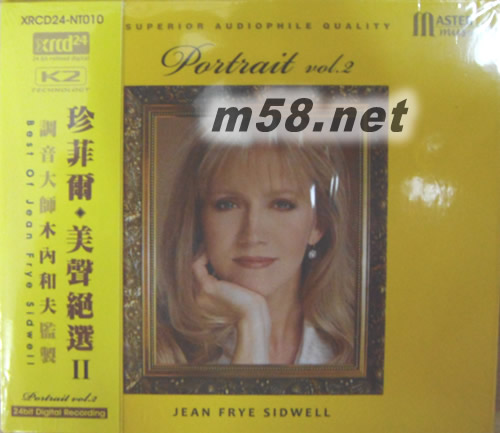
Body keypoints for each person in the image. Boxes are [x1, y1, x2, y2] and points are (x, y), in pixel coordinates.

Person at [156, 133, 356, 365]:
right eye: (228, 204)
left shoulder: (358, 349)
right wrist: (252, 324)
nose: (252, 235)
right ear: (199, 220)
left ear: (318, 224)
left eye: (281, 204)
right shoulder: (158, 352)